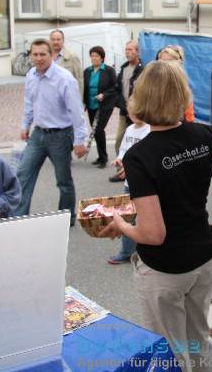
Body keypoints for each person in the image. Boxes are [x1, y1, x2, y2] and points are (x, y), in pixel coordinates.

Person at [101, 60, 212, 372]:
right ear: (182, 94)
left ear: (141, 98)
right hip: (204, 257)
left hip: (165, 269)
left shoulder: (139, 156)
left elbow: (153, 233)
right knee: (198, 336)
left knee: (170, 351)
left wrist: (120, 224)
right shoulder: (205, 134)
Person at [13, 39, 88, 223]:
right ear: (30, 55)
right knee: (23, 174)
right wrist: (25, 125)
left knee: (63, 181)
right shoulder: (31, 75)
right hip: (38, 134)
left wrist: (80, 140)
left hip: (60, 136)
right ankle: (18, 217)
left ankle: (66, 216)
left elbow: (76, 111)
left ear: (51, 55)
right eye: (35, 54)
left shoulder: (64, 78)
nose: (38, 58)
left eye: (42, 54)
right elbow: (29, 103)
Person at [107, 111, 150, 265]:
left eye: (139, 110)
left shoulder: (149, 130)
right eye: (131, 111)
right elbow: (124, 150)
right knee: (126, 217)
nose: (135, 114)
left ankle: (147, 252)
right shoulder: (130, 129)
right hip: (128, 184)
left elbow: (147, 156)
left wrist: (132, 167)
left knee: (146, 218)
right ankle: (126, 252)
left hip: (144, 184)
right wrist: (119, 159)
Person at [111, 39, 144, 181]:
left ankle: (135, 170)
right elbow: (117, 89)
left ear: (138, 52)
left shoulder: (143, 69)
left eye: (131, 50)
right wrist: (120, 104)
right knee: (120, 140)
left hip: (138, 113)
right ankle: (121, 170)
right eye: (126, 50)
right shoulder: (123, 68)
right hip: (125, 112)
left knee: (139, 142)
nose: (128, 52)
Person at [83, 45, 118, 168]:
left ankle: (104, 158)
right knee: (94, 130)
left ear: (102, 58)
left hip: (105, 105)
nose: (93, 58)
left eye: (96, 56)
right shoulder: (87, 71)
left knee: (98, 130)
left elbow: (115, 87)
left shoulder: (108, 70)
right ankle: (100, 156)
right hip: (91, 105)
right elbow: (84, 88)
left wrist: (104, 94)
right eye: (92, 56)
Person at [157, 45, 195, 122]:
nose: (165, 64)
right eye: (162, 61)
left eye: (168, 61)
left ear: (178, 62)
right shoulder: (155, 81)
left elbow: (189, 113)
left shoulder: (181, 83)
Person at [50, 29, 84, 95]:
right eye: (53, 39)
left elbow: (79, 80)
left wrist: (79, 100)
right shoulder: (46, 57)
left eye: (58, 39)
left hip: (66, 96)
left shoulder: (72, 57)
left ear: (63, 41)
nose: (55, 42)